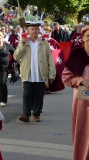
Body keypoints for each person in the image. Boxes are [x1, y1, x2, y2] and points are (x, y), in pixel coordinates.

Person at [13, 23, 56, 122]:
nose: (35, 31)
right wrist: (22, 44)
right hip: (28, 73)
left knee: (39, 94)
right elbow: (16, 57)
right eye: (32, 29)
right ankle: (26, 114)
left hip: (41, 73)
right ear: (28, 31)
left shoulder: (43, 43)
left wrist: (52, 74)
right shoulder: (24, 42)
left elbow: (50, 59)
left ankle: (36, 114)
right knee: (27, 93)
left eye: (36, 29)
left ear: (39, 30)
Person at [62, 25, 89, 160]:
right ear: (83, 38)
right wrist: (81, 81)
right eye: (88, 36)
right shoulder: (77, 55)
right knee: (83, 132)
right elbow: (66, 77)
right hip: (82, 104)